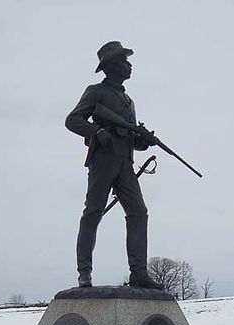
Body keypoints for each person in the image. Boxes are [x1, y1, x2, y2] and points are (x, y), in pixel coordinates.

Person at [65, 41, 163, 289]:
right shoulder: (96, 91)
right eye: (124, 61)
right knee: (93, 212)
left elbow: (130, 139)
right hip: (102, 160)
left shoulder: (129, 101)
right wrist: (96, 131)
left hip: (125, 164)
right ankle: (84, 272)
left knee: (138, 212)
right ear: (112, 66)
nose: (129, 65)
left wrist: (144, 140)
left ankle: (139, 273)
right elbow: (73, 120)